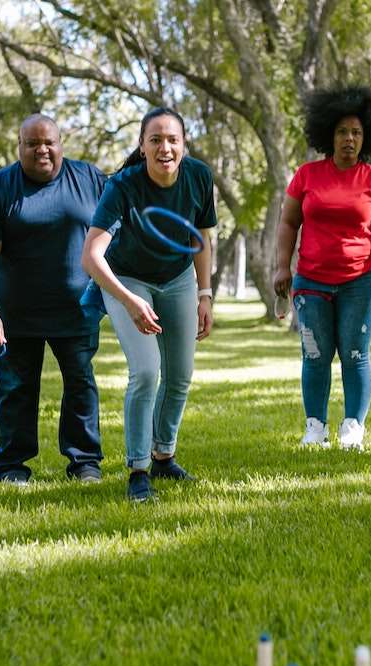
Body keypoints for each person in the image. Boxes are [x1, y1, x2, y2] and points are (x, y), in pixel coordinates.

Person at [81, 106, 216, 502]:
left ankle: (163, 456)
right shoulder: (123, 186)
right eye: (155, 140)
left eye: (172, 139)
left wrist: (205, 295)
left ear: (184, 145)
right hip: (127, 279)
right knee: (145, 373)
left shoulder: (198, 177)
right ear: (142, 147)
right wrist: (128, 300)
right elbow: (91, 256)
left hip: (177, 280)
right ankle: (138, 470)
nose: (164, 147)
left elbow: (201, 238)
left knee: (180, 375)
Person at [0, 115, 107, 485]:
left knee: (80, 384)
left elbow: (116, 230)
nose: (42, 149)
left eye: (50, 142)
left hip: (77, 311)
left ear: (61, 144)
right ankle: (13, 466)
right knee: (16, 390)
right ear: (19, 147)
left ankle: (84, 462)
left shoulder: (91, 180)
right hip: (15, 314)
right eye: (32, 144)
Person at [273, 85, 371, 451]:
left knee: (355, 354)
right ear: (329, 134)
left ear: (366, 138)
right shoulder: (307, 175)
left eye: (357, 133)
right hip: (311, 280)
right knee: (315, 354)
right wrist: (284, 267)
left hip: (360, 282)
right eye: (343, 131)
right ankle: (315, 427)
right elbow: (287, 224)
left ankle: (352, 427)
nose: (349, 139)